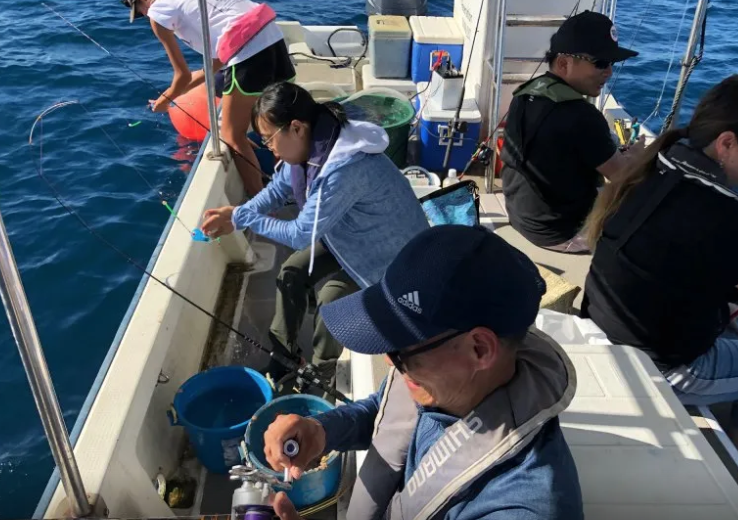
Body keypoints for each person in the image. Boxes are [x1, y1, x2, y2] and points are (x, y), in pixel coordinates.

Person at [262, 225, 584, 520]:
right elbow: (383, 413)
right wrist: (322, 431)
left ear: (480, 349)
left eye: (400, 349)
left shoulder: (524, 507)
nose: (389, 362)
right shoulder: (442, 381)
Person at [200, 82, 429, 387]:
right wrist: (238, 215)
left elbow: (299, 234)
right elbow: (278, 189)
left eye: (269, 139)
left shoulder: (342, 168)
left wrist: (242, 217)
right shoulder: (314, 146)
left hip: (388, 258)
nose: (268, 147)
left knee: (330, 299)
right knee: (292, 272)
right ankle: (284, 356)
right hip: (347, 238)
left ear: (296, 128)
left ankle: (322, 373)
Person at [582, 76, 738, 405]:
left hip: (604, 331)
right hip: (666, 367)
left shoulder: (659, 164)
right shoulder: (722, 213)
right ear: (726, 144)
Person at [500, 10, 645, 254]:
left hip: (522, 218)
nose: (608, 72)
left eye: (611, 63)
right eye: (600, 62)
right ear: (564, 63)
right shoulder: (582, 116)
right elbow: (623, 177)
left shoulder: (526, 93)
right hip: (560, 233)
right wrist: (639, 156)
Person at [121, 0, 295, 196]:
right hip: (274, 41)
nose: (145, 15)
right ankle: (294, 178)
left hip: (247, 56)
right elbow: (214, 65)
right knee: (275, 123)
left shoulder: (157, 12)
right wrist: (169, 93)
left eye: (140, 12)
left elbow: (183, 75)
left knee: (231, 136)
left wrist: (164, 103)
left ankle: (261, 204)